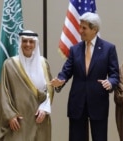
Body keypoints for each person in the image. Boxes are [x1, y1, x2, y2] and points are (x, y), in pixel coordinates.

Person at [51, 12, 119, 141]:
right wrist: (60, 80)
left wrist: (110, 82)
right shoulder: (75, 49)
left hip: (98, 103)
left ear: (94, 29)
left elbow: (115, 74)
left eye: (84, 28)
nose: (80, 30)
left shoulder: (108, 49)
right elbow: (66, 71)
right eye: (79, 27)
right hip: (77, 104)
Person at [0, 30, 54, 141]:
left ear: (35, 44)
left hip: (39, 118)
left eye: (31, 42)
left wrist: (44, 108)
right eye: (25, 41)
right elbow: (4, 93)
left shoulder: (43, 63)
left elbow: (49, 89)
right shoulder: (10, 64)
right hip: (19, 120)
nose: (28, 44)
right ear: (20, 43)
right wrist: (10, 115)